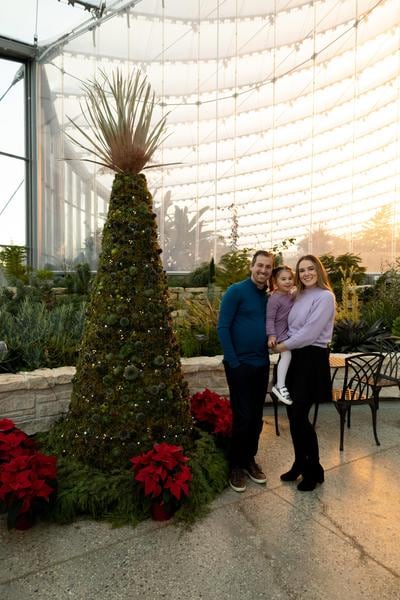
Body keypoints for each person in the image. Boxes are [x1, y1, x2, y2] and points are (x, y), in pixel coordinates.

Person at [275, 254, 335, 492]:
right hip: (294, 358)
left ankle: (314, 469)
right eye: (301, 270)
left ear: (318, 271)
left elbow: (310, 333)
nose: (306, 273)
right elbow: (284, 319)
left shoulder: (325, 297)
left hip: (311, 358)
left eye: (310, 269)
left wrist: (281, 346)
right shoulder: (296, 295)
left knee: (300, 416)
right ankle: (300, 463)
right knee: (292, 416)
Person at [217, 250, 274, 493]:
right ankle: (235, 465)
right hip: (239, 365)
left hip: (261, 364)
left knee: (257, 417)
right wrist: (234, 362)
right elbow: (223, 327)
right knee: (242, 417)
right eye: (259, 265)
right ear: (252, 266)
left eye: (268, 267)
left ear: (272, 270)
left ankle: (250, 459)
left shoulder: (270, 297)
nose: (263, 271)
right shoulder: (236, 291)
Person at [266, 265, 295, 406]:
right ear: (275, 282)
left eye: (290, 278)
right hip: (278, 333)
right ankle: (280, 385)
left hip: (288, 332)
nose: (288, 281)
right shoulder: (274, 298)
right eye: (283, 279)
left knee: (289, 356)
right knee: (286, 355)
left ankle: (283, 383)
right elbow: (270, 318)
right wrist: (271, 336)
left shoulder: (290, 294)